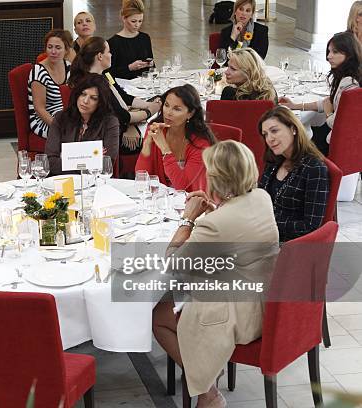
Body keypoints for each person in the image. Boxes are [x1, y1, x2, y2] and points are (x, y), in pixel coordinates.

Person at [152, 140, 279, 407]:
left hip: (237, 314)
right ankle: (207, 368)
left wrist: (188, 220)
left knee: (158, 315)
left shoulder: (216, 224)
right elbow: (235, 229)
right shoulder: (261, 197)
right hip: (265, 301)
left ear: (217, 177)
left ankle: (208, 392)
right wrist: (215, 213)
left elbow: (172, 263)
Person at [69, 36, 162, 154]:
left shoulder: (104, 74)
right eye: (108, 52)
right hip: (106, 137)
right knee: (157, 135)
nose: (111, 55)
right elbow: (123, 116)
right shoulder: (95, 84)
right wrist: (150, 111)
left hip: (112, 126)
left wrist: (148, 104)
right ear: (100, 56)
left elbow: (122, 95)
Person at [279, 32, 361, 155]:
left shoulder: (349, 83)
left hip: (337, 144)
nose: (329, 57)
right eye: (329, 52)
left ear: (349, 54)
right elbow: (327, 102)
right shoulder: (352, 76)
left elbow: (338, 123)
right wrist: (295, 106)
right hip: (347, 141)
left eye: (335, 52)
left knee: (296, 138)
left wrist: (328, 112)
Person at [258, 106, 328, 242]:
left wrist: (267, 225)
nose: (269, 139)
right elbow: (261, 198)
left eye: (274, 131)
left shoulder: (314, 169)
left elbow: (311, 226)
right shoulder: (274, 161)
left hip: (288, 244)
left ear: (293, 129)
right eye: (265, 134)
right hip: (263, 235)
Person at [136, 85, 216, 192]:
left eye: (176, 109)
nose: (168, 112)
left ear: (190, 114)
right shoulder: (156, 129)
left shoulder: (201, 142)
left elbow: (183, 186)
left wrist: (164, 148)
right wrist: (147, 143)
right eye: (167, 105)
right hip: (161, 198)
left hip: (193, 199)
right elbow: (141, 177)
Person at [45, 73, 119, 175]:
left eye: (93, 98)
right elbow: (50, 162)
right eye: (83, 94)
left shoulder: (110, 122)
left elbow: (106, 165)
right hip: (62, 181)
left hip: (94, 184)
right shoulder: (61, 118)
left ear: (100, 102)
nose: (85, 101)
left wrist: (66, 159)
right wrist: (91, 159)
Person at [28, 29, 72, 139]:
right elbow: (39, 109)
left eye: (58, 48)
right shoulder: (38, 71)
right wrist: (59, 127)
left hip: (64, 114)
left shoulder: (69, 66)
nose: (53, 51)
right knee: (74, 134)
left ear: (66, 50)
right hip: (44, 120)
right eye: (50, 47)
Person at [108, 0, 153, 80]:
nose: (137, 25)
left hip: (144, 84)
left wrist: (150, 64)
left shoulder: (145, 38)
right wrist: (129, 68)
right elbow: (108, 73)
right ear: (123, 18)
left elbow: (151, 64)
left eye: (140, 21)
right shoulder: (113, 43)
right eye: (133, 21)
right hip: (123, 85)